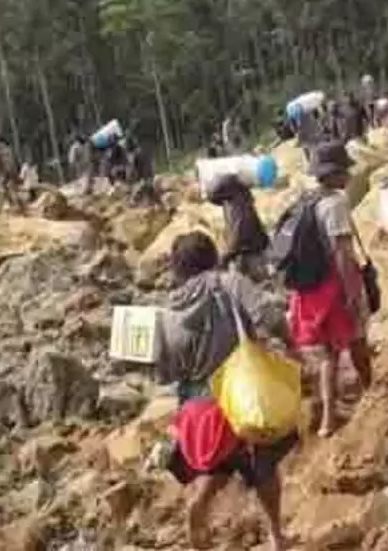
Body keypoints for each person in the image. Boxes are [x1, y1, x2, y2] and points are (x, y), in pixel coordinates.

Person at [154, 232, 294, 551]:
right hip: (240, 395)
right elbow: (268, 315)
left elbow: (165, 372)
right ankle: (276, 535)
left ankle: (199, 504)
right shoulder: (228, 283)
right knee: (264, 465)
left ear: (178, 268)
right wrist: (291, 345)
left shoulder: (168, 312)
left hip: (196, 410)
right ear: (212, 257)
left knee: (220, 461)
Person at [287, 142, 373, 437]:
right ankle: (373, 396)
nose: (349, 174)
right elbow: (342, 253)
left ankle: (328, 421)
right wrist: (351, 293)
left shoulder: (306, 200)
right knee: (357, 343)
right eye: (345, 169)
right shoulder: (335, 204)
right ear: (335, 173)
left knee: (328, 356)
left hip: (312, 291)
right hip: (335, 287)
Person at [208, 174, 271, 282]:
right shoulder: (232, 200)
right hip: (247, 249)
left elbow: (239, 233)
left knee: (255, 282)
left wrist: (226, 256)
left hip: (248, 251)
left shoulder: (237, 204)